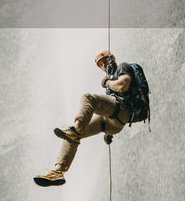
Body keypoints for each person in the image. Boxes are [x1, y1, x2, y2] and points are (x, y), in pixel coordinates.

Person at [33, 49, 135, 187]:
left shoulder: (123, 67)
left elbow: (123, 85)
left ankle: (75, 129)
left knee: (88, 99)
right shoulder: (110, 84)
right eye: (101, 64)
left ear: (113, 59)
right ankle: (57, 172)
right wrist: (109, 132)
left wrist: (107, 83)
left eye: (106, 61)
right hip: (116, 123)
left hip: (123, 111)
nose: (104, 65)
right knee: (71, 136)